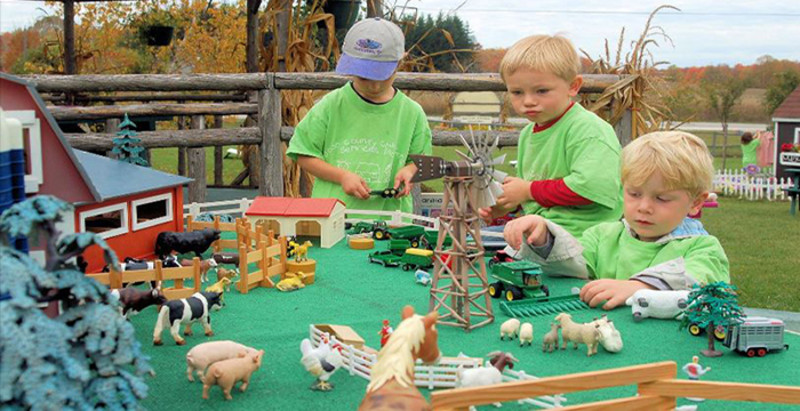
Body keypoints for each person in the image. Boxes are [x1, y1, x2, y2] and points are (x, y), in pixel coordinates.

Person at [504, 131, 730, 310]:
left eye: (661, 198)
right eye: (634, 194)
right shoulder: (604, 235)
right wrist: (544, 236)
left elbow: (696, 281)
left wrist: (638, 288)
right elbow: (572, 262)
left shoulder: (704, 249)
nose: (644, 207)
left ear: (696, 203)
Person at [479, 34, 623, 238]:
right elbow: (534, 194)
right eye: (517, 92)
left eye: (542, 91)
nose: (528, 101)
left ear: (573, 86)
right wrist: (507, 205)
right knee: (469, 241)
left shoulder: (587, 129)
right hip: (539, 227)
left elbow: (592, 187)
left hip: (584, 235)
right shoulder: (528, 133)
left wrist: (527, 190)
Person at [286, 18, 432, 213]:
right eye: (364, 77)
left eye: (382, 76)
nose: (374, 85)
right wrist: (342, 176)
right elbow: (302, 153)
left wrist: (409, 171)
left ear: (399, 63)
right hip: (333, 218)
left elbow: (421, 160)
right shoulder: (331, 106)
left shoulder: (412, 113)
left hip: (391, 223)